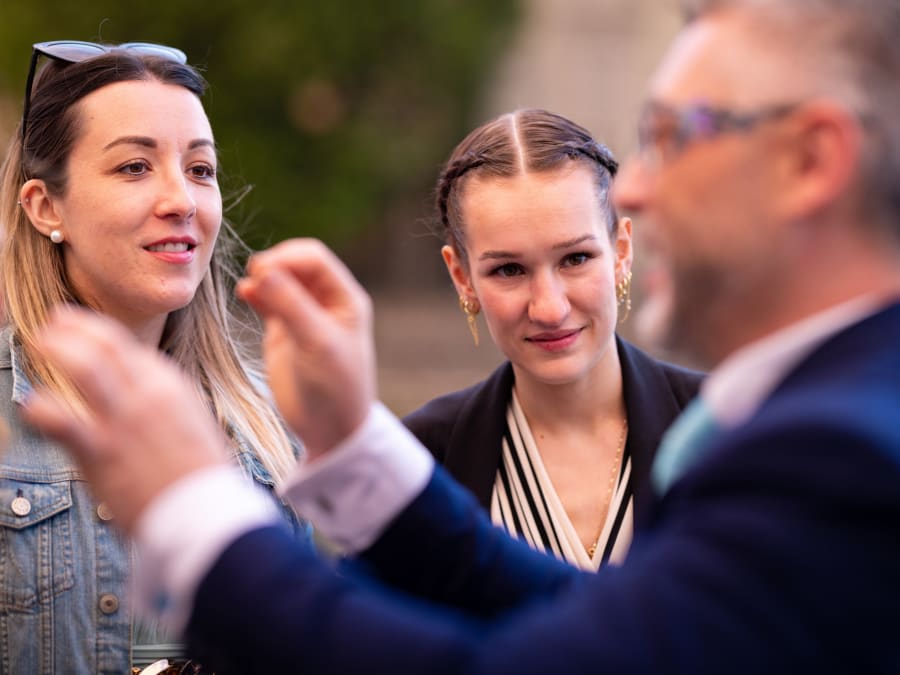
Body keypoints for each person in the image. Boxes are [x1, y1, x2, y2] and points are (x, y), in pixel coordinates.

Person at [19, 0, 900, 672]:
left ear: (810, 161)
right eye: (509, 267)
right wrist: (358, 441)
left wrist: (190, 509)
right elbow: (589, 614)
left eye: (676, 135)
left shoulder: (840, 453)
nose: (633, 188)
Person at [0, 41, 305, 673]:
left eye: (200, 170)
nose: (181, 200)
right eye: (135, 167)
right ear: (45, 205)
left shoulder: (274, 421)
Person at [404, 108, 701, 568]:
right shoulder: (422, 460)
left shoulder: (727, 427)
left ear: (621, 252)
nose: (550, 308)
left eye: (576, 259)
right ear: (461, 276)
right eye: (508, 270)